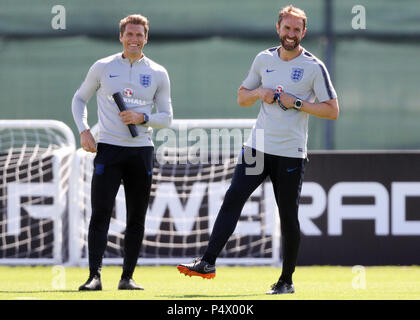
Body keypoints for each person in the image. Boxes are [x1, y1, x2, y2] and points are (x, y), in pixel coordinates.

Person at [177, 5, 339, 294]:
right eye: (287, 28)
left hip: (290, 152)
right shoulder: (263, 59)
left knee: (287, 216)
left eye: (296, 29)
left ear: (304, 32)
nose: (291, 34)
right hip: (256, 148)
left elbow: (332, 111)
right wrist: (258, 93)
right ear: (278, 28)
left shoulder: (314, 66)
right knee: (232, 199)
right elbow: (242, 97)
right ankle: (208, 262)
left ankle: (286, 281)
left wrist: (297, 102)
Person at [72, 14, 173, 290]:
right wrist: (84, 129)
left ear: (146, 38)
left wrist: (142, 118)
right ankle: (94, 276)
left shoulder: (158, 72)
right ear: (121, 37)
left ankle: (127, 278)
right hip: (109, 150)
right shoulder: (103, 67)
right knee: (101, 213)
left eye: (139, 35)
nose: (134, 39)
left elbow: (167, 117)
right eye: (129, 34)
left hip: (141, 152)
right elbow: (79, 98)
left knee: (136, 217)